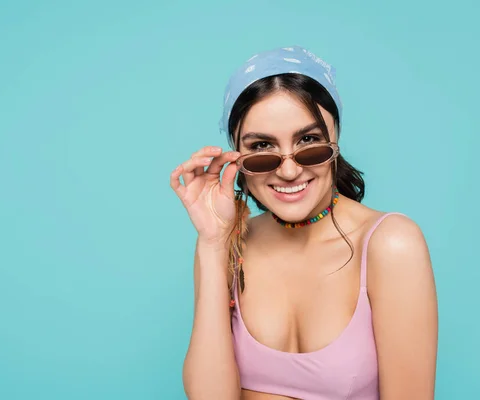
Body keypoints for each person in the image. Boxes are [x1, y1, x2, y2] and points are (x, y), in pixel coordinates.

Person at [170, 46, 438, 400]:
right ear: (237, 155)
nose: (290, 169)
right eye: (263, 146)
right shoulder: (228, 242)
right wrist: (211, 243)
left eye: (309, 141)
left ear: (336, 141)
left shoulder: (390, 244)